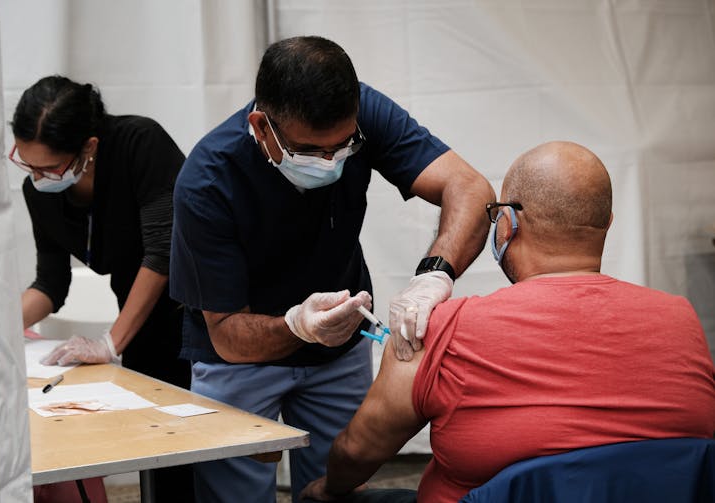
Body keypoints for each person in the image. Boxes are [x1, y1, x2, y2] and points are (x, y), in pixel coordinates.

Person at [169, 36, 494, 503]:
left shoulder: (363, 112)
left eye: (343, 147)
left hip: (338, 353)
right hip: (237, 359)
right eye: (311, 151)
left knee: (340, 490)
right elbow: (226, 334)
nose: (331, 163)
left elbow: (469, 186)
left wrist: (434, 275)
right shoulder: (206, 181)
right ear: (261, 127)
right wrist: (299, 325)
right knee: (232, 494)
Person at [300, 141, 715, 503]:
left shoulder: (442, 328)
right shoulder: (681, 319)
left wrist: (331, 488)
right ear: (607, 222)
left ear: (507, 224)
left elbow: (357, 452)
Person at [10, 75, 194, 502]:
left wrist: (109, 343)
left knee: (200, 454)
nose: (37, 177)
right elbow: (50, 284)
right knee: (160, 456)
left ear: (88, 148)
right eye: (26, 164)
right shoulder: (39, 192)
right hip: (142, 319)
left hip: (195, 313)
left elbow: (162, 253)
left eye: (48, 167)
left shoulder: (139, 144)